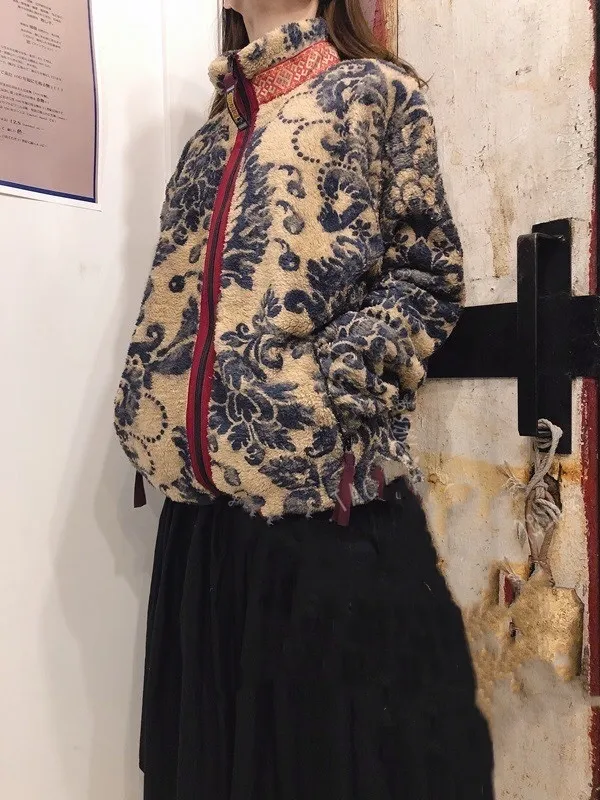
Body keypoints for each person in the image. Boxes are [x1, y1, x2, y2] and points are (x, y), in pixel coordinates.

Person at [114, 0, 495, 797]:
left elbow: (428, 276)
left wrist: (320, 392)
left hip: (324, 515)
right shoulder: (207, 142)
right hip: (201, 533)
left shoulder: (375, 94)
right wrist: (149, 402)